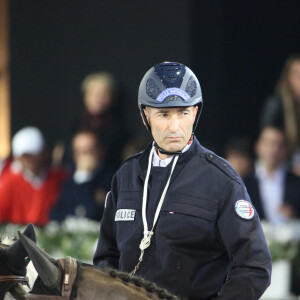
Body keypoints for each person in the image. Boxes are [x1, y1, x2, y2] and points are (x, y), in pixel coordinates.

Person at [93, 62, 271, 299]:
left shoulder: (221, 180)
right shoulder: (125, 175)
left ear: (195, 112)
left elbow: (254, 266)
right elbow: (106, 257)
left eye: (183, 113)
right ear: (145, 114)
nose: (174, 127)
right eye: (164, 114)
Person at [0, 126, 67, 226]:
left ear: (44, 153)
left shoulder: (60, 178)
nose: (31, 160)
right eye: (26, 156)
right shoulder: (8, 183)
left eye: (35, 154)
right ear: (18, 158)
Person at [51, 130, 114, 221]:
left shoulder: (111, 179)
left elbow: (91, 213)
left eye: (89, 151)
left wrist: (85, 177)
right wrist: (81, 176)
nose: (84, 157)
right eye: (79, 152)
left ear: (100, 151)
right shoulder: (69, 178)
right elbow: (57, 214)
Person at [244, 126, 300, 223]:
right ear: (258, 146)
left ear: (286, 150)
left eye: (280, 145)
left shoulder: (296, 183)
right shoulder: (244, 182)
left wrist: (294, 215)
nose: (274, 150)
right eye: (270, 144)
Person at [260, 54, 300, 170]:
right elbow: (269, 142)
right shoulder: (276, 105)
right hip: (280, 166)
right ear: (289, 78)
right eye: (298, 75)